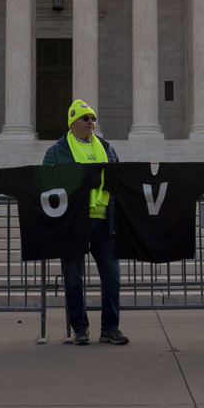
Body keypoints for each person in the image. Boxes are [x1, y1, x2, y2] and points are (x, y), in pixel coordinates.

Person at [44, 99, 129, 345]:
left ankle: (110, 328)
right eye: (85, 118)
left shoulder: (107, 148)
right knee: (73, 278)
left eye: (92, 118)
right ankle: (80, 328)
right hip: (73, 222)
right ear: (73, 123)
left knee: (112, 276)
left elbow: (117, 182)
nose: (91, 122)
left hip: (104, 222)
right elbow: (48, 187)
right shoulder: (56, 152)